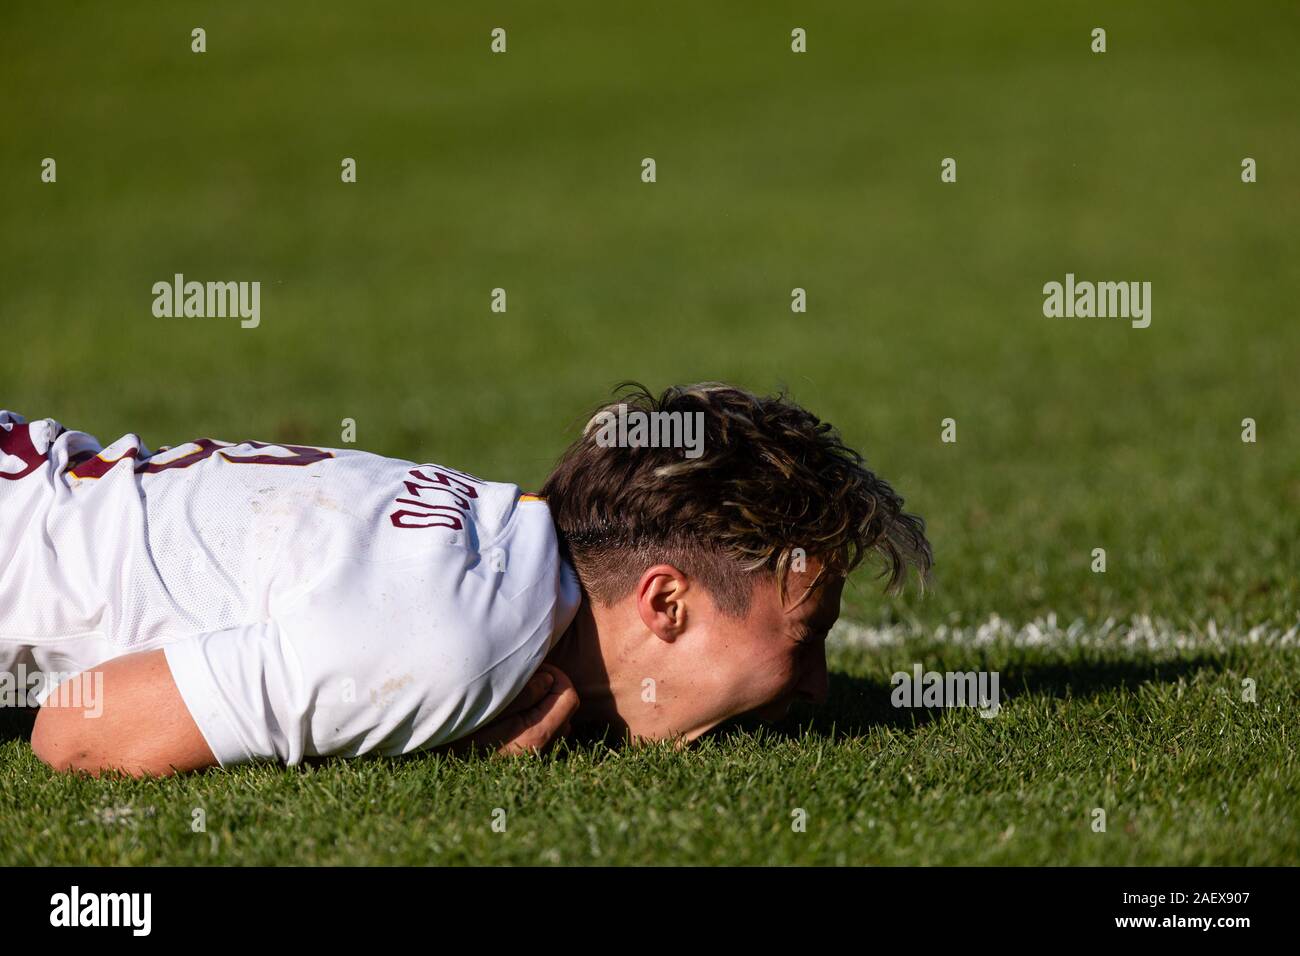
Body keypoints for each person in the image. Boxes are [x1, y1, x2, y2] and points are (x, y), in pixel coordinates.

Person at [1, 383, 930, 776]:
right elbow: (74, 726)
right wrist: (436, 733)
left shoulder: (498, 528)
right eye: (805, 638)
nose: (815, 686)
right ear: (666, 601)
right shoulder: (451, 641)